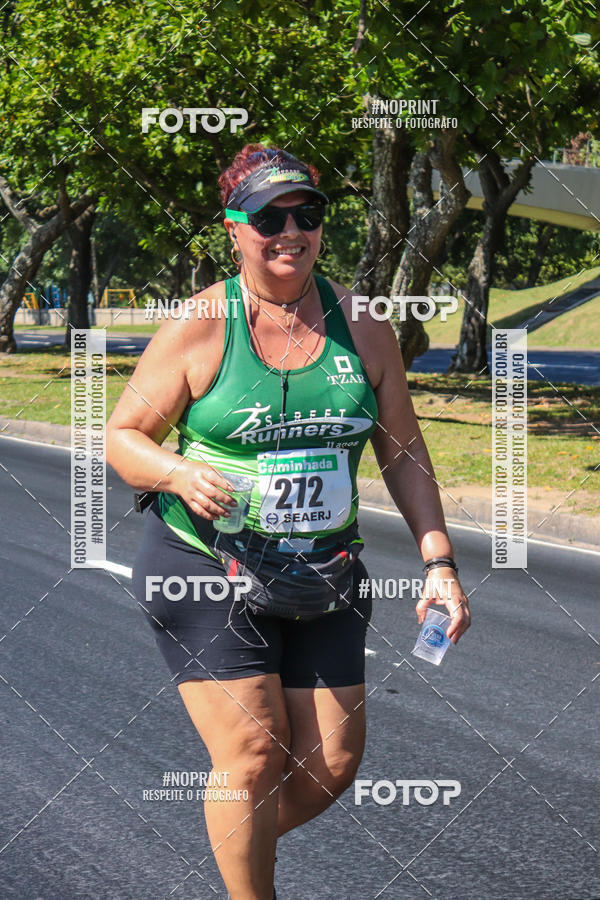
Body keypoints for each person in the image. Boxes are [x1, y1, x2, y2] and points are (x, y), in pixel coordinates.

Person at [106, 144, 471, 899]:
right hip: (206, 562)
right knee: (250, 753)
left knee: (332, 765)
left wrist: (439, 562)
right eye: (270, 216)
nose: (291, 230)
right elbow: (123, 438)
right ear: (234, 228)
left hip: (324, 569)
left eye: (307, 214)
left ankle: (232, 838)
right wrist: (177, 471)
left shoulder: (362, 324)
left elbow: (401, 449)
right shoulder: (203, 324)